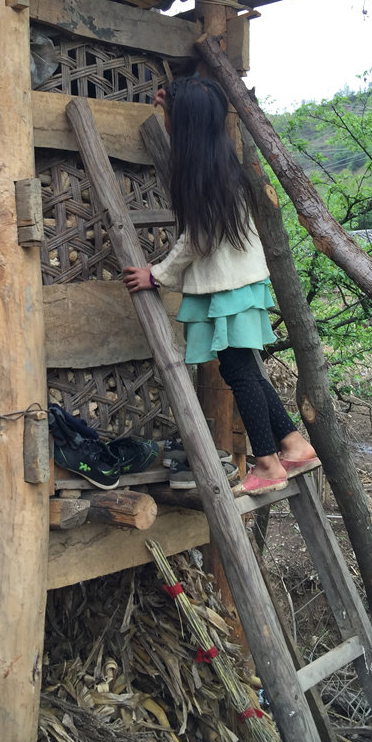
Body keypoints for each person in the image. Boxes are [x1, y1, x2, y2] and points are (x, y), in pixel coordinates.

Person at [123, 75, 320, 495]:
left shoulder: (205, 174)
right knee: (242, 367)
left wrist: (156, 275)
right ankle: (293, 444)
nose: (167, 123)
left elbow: (198, 238)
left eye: (171, 116)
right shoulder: (218, 162)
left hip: (230, 287)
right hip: (241, 283)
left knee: (238, 371)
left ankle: (266, 463)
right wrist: (170, 98)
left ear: (187, 123)